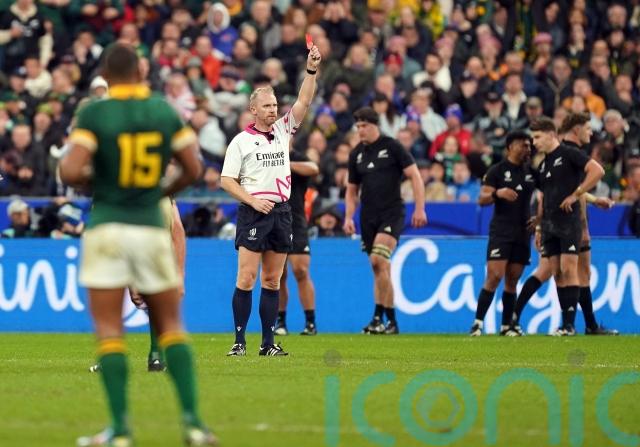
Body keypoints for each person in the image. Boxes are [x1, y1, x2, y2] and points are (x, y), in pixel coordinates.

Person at [59, 44, 216, 446]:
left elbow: (70, 170)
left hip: (108, 226)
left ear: (107, 76)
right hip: (149, 225)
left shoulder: (95, 113)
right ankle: (193, 424)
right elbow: (194, 167)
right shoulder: (162, 111)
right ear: (141, 73)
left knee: (110, 329)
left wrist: (104, 183)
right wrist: (157, 190)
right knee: (171, 326)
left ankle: (120, 429)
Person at [220, 42, 322, 356]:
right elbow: (226, 180)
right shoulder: (240, 142)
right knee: (246, 276)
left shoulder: (282, 131)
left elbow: (304, 100)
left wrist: (311, 70)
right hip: (254, 212)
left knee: (272, 279)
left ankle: (267, 343)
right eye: (267, 106)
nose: (273, 110)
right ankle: (239, 342)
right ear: (253, 110)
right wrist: (252, 201)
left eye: (275, 105)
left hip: (282, 211)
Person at [512, 113, 618, 335]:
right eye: (533, 138)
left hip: (570, 223)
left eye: (537, 137)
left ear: (551, 134)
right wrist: (539, 226)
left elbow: (595, 173)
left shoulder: (569, 153)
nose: (534, 142)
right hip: (551, 224)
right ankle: (571, 324)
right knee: (558, 272)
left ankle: (570, 325)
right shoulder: (545, 164)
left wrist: (579, 196)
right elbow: (544, 196)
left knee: (569, 269)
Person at [344, 107, 428, 335]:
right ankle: (390, 322)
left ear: (375, 125)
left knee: (378, 260)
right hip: (367, 216)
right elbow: (351, 191)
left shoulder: (392, 146)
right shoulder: (356, 154)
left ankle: (378, 317)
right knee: (379, 268)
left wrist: (420, 208)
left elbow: (415, 176)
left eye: (364, 126)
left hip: (391, 212)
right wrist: (348, 216)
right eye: (358, 126)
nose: (361, 130)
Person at [469, 131, 536, 336]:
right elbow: (482, 199)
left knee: (513, 279)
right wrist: (498, 193)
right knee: (494, 275)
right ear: (510, 147)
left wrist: (540, 220)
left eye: (529, 145)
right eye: (523, 145)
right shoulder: (496, 171)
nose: (528, 149)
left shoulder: (532, 172)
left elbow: (547, 195)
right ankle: (478, 323)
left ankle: (507, 326)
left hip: (523, 231)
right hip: (501, 230)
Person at [274, 148, 320, 336]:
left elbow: (313, 168)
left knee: (301, 270)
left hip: (295, 220)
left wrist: (286, 163)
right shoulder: (263, 152)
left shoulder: (296, 156)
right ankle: (280, 322)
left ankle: (310, 322)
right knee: (277, 274)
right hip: (272, 220)